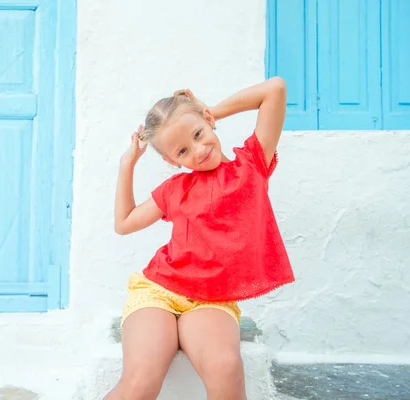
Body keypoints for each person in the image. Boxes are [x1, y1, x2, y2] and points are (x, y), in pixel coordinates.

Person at [106, 77, 295, 400]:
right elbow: (124, 223)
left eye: (198, 134)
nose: (199, 149)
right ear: (171, 161)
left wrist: (212, 111)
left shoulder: (251, 165)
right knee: (141, 382)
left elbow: (274, 89)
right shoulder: (175, 190)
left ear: (208, 122)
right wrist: (127, 165)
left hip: (212, 299)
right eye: (182, 150)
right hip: (159, 292)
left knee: (226, 370)